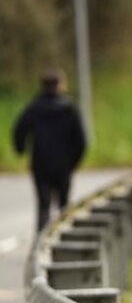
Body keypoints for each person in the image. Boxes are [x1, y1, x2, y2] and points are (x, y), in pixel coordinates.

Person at [12, 71, 87, 232]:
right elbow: (81, 140)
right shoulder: (70, 108)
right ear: (60, 85)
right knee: (64, 205)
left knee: (44, 205)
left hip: (40, 164)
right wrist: (74, 162)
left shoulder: (35, 107)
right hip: (63, 165)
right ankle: (65, 240)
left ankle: (41, 239)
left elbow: (19, 130)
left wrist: (20, 149)